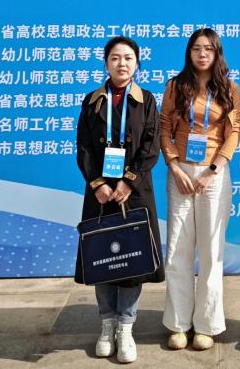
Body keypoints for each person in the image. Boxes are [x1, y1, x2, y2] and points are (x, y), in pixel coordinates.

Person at [74, 36, 164, 364]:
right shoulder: (92, 100)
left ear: (137, 63)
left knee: (132, 262)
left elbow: (151, 145)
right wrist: (97, 183)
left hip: (134, 192)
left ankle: (126, 327)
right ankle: (106, 324)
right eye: (115, 57)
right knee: (103, 259)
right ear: (106, 63)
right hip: (100, 193)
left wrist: (129, 180)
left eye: (128, 58)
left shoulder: (146, 100)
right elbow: (84, 146)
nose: (121, 63)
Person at [160, 28, 240, 350]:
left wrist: (213, 170)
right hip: (180, 172)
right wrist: (174, 166)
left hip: (214, 174)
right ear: (189, 52)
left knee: (211, 250)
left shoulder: (230, 89)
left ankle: (207, 324)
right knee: (177, 249)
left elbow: (234, 132)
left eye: (209, 48)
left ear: (217, 53)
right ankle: (178, 324)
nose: (202, 54)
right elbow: (164, 128)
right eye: (196, 48)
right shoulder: (175, 86)